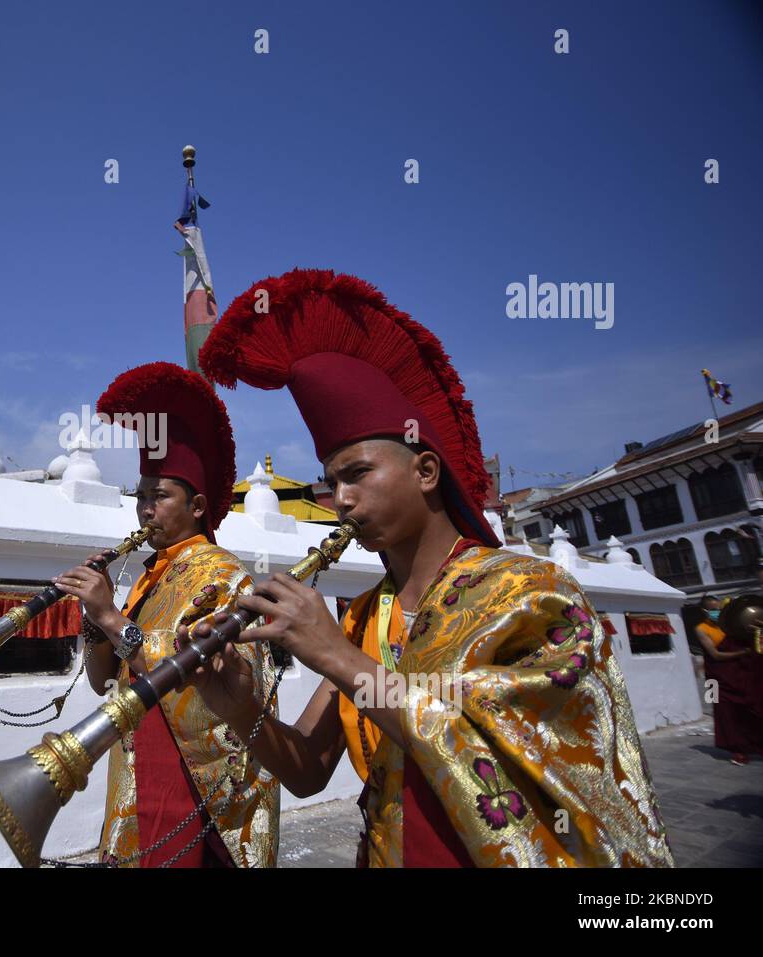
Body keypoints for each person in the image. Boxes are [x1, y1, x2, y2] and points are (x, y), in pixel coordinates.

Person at [189, 267, 674, 867]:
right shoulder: (369, 614)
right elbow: (310, 772)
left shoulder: (530, 592)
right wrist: (240, 708)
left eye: (358, 474)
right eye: (330, 481)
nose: (339, 500)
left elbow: (517, 764)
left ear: (425, 471)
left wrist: (336, 656)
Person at [52, 361, 280, 867]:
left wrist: (113, 618)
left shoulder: (223, 576)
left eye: (161, 496)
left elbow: (195, 682)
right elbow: (101, 680)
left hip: (195, 779)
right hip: (137, 765)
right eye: (141, 495)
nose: (146, 510)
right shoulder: (149, 578)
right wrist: (96, 616)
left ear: (198, 506)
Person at [692, 594, 762, 765]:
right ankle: (737, 750)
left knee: (752, 707)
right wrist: (742, 653)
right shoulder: (701, 628)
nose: (717, 612)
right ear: (704, 610)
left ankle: (755, 744)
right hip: (716, 678)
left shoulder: (733, 626)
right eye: (713, 609)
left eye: (719, 609)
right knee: (725, 713)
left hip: (741, 674)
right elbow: (715, 654)